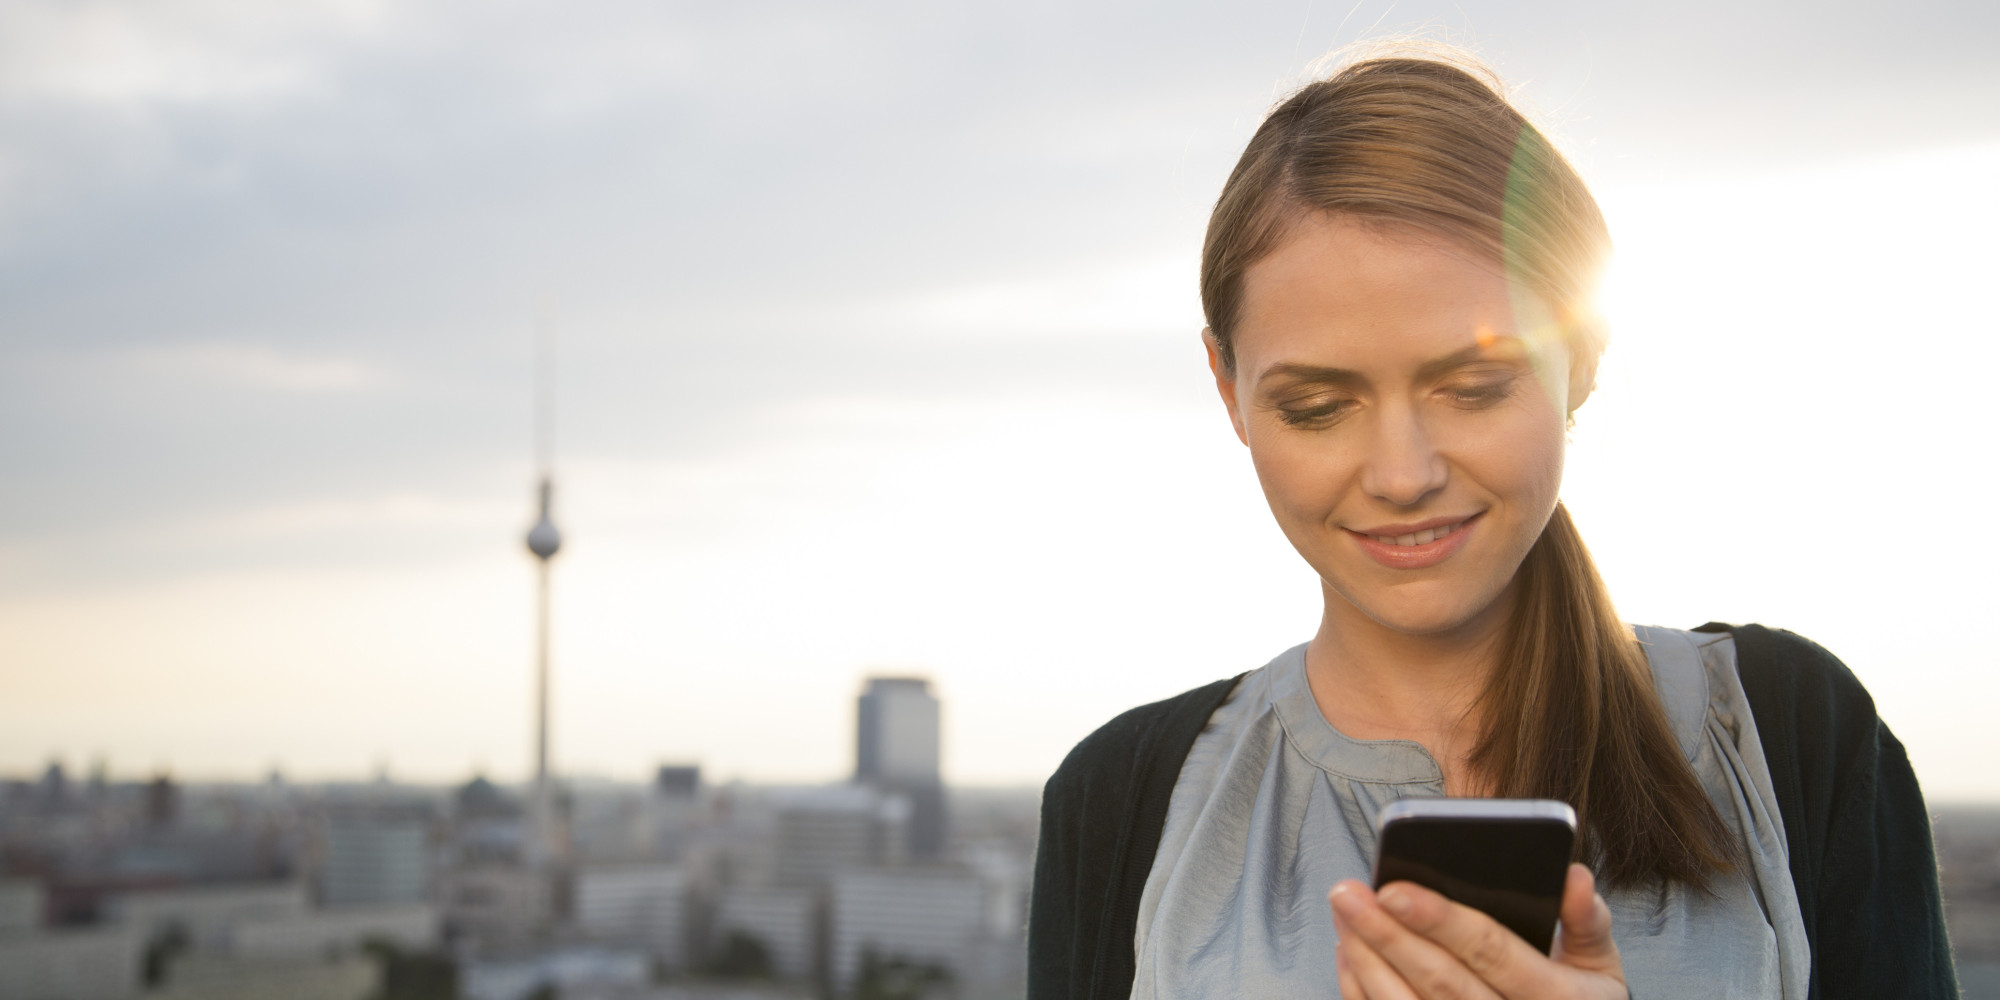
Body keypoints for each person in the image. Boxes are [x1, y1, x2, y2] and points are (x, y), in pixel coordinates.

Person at [1026, 51, 1958, 1000]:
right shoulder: (1125, 801)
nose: (1403, 475)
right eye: (1317, 405)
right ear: (1228, 391)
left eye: (1475, 389)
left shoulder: (1789, 734)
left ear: (1581, 359)